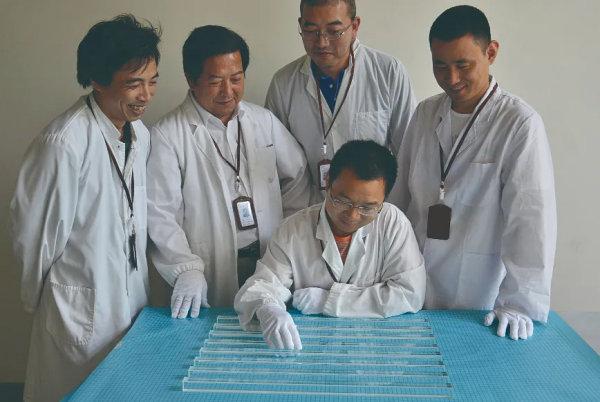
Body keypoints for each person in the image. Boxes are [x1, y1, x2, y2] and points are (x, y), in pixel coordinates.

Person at [8, 15, 160, 401]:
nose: (145, 95)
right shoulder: (63, 143)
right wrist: (52, 301)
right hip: (76, 312)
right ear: (97, 79)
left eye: (152, 81)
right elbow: (33, 240)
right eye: (134, 83)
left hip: (130, 302)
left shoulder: (140, 135)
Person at [388, 5, 557, 340]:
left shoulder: (519, 124)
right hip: (411, 286)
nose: (451, 79)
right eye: (440, 65)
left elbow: (531, 222)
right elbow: (398, 201)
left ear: (490, 52)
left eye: (463, 65)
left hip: (477, 298)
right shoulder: (424, 114)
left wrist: (519, 304)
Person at [147, 26, 310, 316]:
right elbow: (160, 214)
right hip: (210, 265)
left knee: (267, 326)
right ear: (191, 79)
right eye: (215, 81)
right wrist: (185, 268)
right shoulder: (168, 134)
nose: (228, 91)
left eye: (236, 79)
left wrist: (287, 231)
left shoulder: (262, 120)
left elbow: (297, 175)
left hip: (268, 260)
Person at [234, 140, 426, 350]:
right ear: (328, 182)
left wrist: (330, 301)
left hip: (373, 346)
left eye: (368, 207)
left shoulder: (393, 224)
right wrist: (268, 309)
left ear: (384, 199)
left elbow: (410, 294)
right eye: (343, 201)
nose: (353, 215)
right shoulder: (292, 230)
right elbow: (264, 284)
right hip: (310, 344)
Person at [265, 0, 417, 204]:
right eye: (311, 31)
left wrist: (390, 213)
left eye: (334, 31)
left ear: (354, 27)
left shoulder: (388, 72)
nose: (322, 42)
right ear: (301, 25)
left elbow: (408, 153)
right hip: (311, 210)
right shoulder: (283, 83)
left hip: (374, 210)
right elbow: (278, 165)